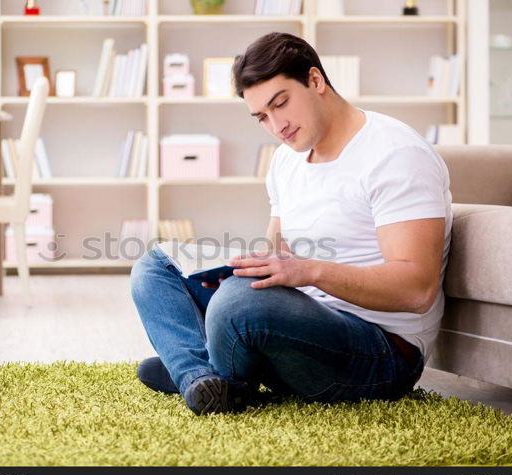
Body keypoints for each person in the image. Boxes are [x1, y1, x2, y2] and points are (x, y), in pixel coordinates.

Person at [130, 32, 452, 416]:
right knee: (157, 264)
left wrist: (308, 271)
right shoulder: (287, 160)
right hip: (302, 322)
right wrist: (237, 270)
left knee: (237, 305)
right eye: (261, 117)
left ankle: (196, 368)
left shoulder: (396, 154)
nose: (276, 126)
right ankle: (201, 378)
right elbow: (276, 253)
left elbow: (416, 289)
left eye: (280, 103)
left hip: (380, 351)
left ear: (316, 81)